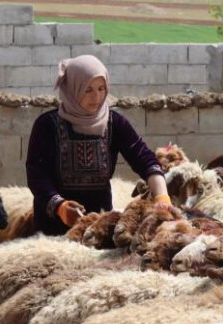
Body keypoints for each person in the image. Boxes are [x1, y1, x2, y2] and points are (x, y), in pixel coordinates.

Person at [25, 55, 170, 236]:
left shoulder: (115, 123)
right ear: (72, 89)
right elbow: (36, 174)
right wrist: (60, 206)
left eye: (101, 88)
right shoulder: (46, 125)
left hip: (99, 228)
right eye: (88, 90)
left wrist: (162, 196)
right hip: (53, 228)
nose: (97, 96)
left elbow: (144, 158)